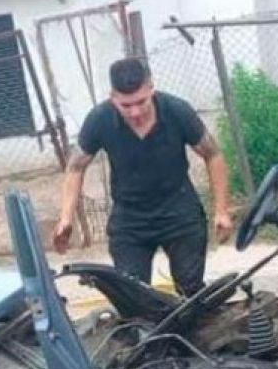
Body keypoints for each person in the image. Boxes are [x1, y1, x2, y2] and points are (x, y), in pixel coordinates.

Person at [53, 57, 233, 297]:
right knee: (133, 298)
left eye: (141, 102)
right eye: (126, 105)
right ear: (113, 97)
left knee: (191, 293)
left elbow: (213, 154)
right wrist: (66, 218)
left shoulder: (177, 111)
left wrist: (221, 210)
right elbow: (75, 167)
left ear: (151, 88)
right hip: (130, 217)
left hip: (179, 210)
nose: (135, 112)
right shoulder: (99, 119)